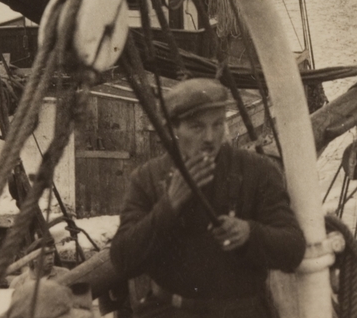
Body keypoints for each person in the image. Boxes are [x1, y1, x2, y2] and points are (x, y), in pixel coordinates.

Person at [110, 79, 305, 318]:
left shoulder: (256, 171)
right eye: (197, 127)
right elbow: (122, 259)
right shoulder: (148, 178)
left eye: (218, 124)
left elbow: (293, 248)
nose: (211, 137)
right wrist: (169, 206)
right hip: (170, 312)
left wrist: (250, 233)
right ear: (174, 129)